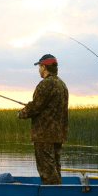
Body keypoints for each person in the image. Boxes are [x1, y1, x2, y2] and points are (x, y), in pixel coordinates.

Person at [17, 54, 69, 185]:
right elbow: (45, 105)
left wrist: (21, 113)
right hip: (58, 134)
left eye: (39, 67)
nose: (39, 70)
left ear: (44, 67)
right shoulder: (62, 85)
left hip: (44, 135)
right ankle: (58, 194)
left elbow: (35, 107)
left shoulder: (45, 84)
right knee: (55, 167)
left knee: (47, 170)